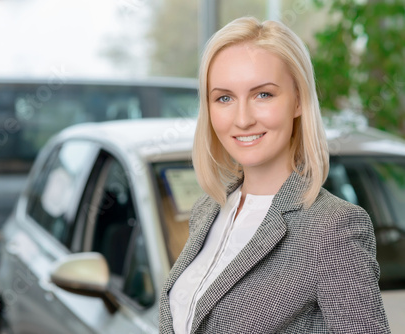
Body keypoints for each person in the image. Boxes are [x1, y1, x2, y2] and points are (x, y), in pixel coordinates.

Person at [159, 16, 390, 333]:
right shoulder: (208, 209)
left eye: (263, 94)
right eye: (224, 98)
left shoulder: (332, 228)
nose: (242, 119)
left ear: (297, 99)